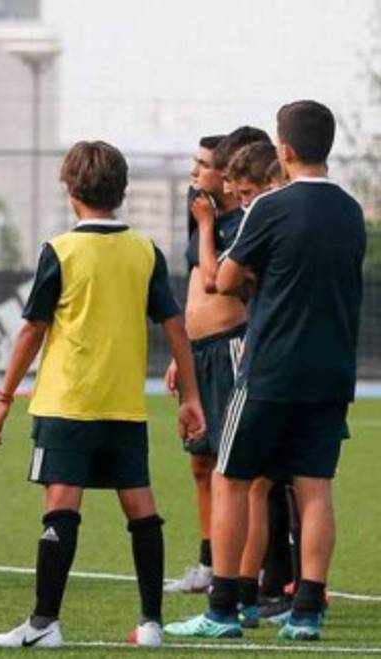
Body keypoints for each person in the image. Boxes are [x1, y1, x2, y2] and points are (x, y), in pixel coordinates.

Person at [0, 141, 205, 649]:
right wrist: (191, 396)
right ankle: (151, 623)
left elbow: (31, 331)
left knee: (61, 505)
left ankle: (43, 625)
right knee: (141, 509)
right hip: (124, 405)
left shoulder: (60, 250)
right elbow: (176, 328)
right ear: (122, 191)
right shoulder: (145, 251)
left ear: (71, 189)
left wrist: (3, 398)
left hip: (67, 404)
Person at [166, 100, 364, 642]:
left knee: (232, 480)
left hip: (272, 368)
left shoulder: (270, 209)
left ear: (286, 150)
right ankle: (306, 612)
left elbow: (225, 280)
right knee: (314, 489)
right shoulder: (350, 211)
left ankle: (224, 608)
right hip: (332, 372)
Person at [164, 127, 268, 595]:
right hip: (198, 353)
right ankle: (208, 562)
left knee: (238, 467)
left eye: (202, 164)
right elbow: (191, 288)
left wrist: (207, 225)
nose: (194, 171)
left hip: (231, 348)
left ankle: (250, 572)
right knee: (201, 463)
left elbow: (215, 284)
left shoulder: (243, 222)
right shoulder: (197, 215)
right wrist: (179, 352)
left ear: (225, 175)